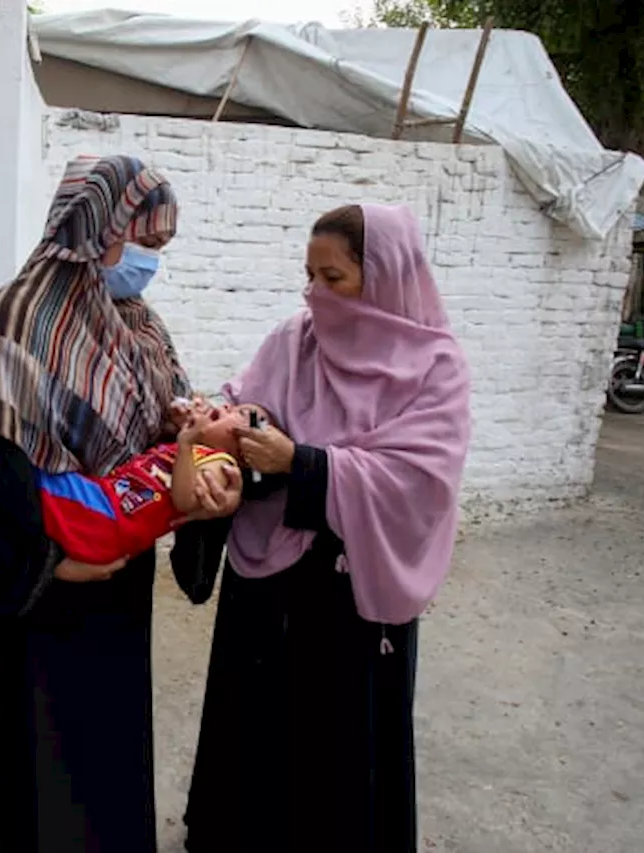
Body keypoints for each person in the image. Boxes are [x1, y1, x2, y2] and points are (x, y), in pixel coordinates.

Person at [0, 154, 242, 852]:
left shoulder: (138, 324)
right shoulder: (14, 316)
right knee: (41, 771)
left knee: (108, 761)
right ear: (97, 227)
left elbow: (168, 424)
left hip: (116, 585)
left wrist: (202, 460)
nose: (148, 261)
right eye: (145, 241)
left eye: (159, 248)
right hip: (36, 595)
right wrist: (47, 563)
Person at [171, 203, 473, 852]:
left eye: (333, 277)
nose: (316, 293)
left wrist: (302, 463)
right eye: (308, 275)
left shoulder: (434, 367)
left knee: (334, 749)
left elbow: (421, 485)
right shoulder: (293, 339)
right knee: (254, 730)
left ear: (385, 277)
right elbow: (249, 403)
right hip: (266, 584)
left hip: (347, 597)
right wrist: (225, 437)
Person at [0, 401, 261, 595]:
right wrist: (179, 425)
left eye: (241, 417)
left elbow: (183, 500)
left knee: (24, 481)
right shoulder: (199, 449)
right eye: (234, 406)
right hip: (104, 505)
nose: (229, 407)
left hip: (106, 518)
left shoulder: (220, 466)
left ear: (247, 451)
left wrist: (185, 443)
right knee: (27, 493)